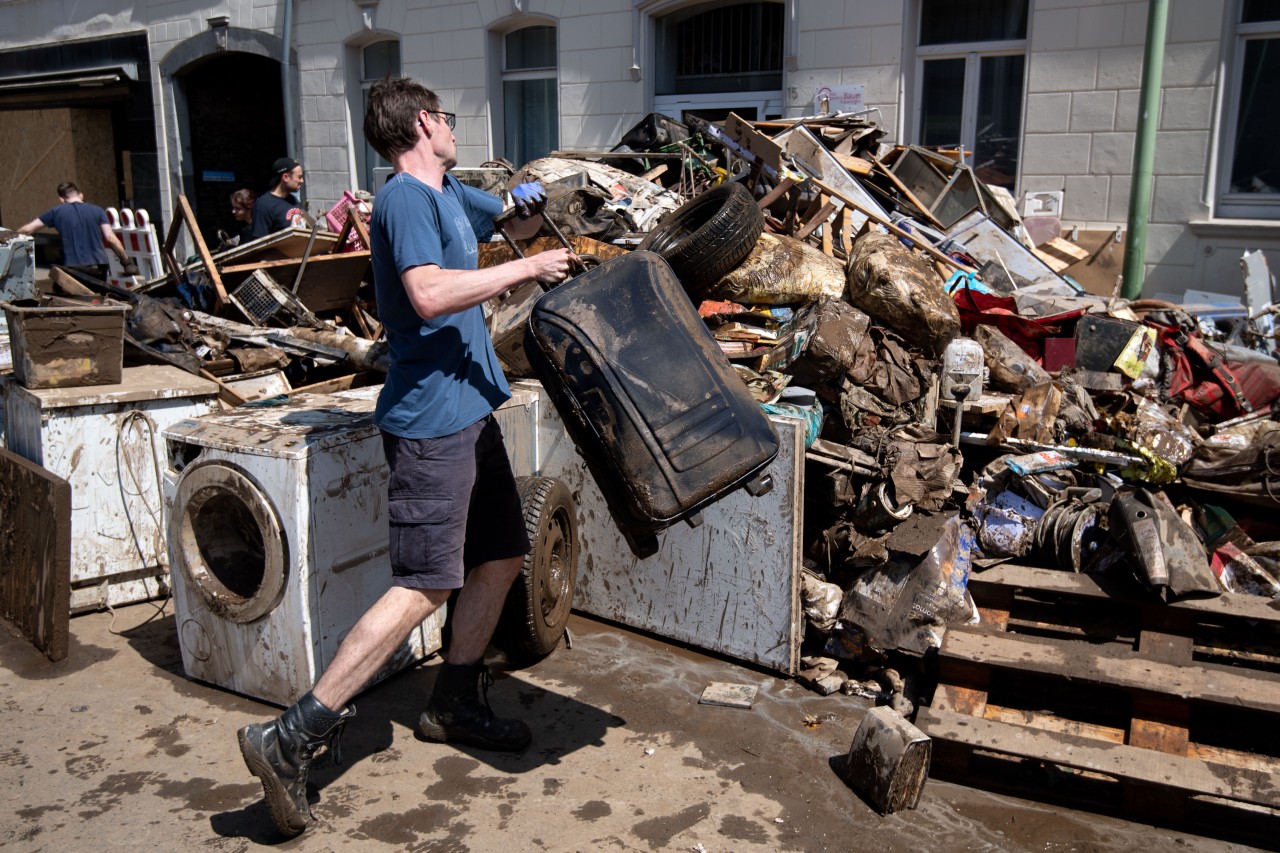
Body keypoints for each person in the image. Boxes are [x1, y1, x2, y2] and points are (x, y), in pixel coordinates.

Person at [236, 76, 572, 838]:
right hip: (429, 426)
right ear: (424, 122)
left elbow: (507, 208)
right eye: (448, 118)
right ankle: (291, 734)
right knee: (425, 583)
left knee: (502, 554)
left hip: (471, 410)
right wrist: (526, 269)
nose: (455, 129)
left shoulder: (447, 188)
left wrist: (528, 194)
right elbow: (425, 293)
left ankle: (453, 697)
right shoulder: (402, 201)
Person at [18, 182, 137, 279]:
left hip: (73, 268)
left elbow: (27, 230)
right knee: (98, 299)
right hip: (98, 267)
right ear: (81, 195)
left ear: (61, 199)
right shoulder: (98, 211)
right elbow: (111, 239)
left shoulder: (55, 212)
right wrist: (126, 262)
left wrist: (7, 237)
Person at [250, 157, 306, 238]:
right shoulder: (263, 206)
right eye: (299, 177)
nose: (302, 181)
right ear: (286, 177)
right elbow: (259, 243)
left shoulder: (293, 200)